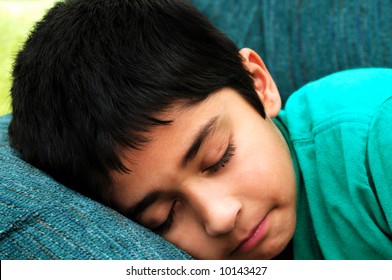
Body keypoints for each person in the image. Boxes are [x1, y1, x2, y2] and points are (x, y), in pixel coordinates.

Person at [8, 0, 392, 260]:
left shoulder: (375, 136)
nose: (219, 217)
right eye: (164, 217)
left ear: (258, 84)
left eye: (218, 157)